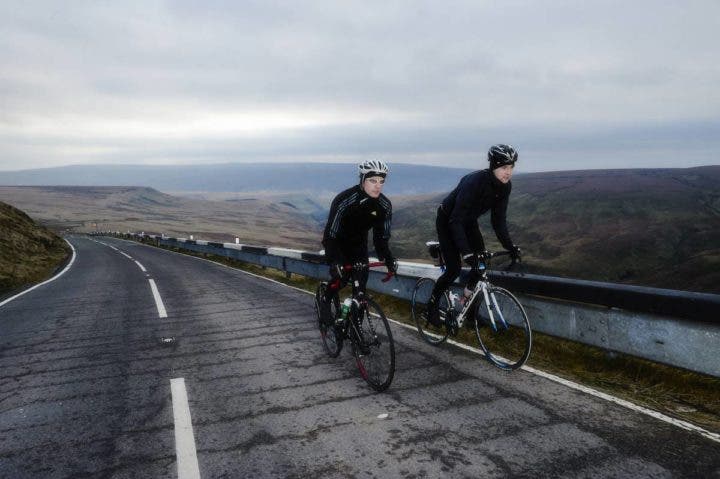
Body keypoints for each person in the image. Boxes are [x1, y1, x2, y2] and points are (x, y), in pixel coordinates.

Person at [426, 144, 522, 326]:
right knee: (453, 269)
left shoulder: (505, 187)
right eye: (504, 167)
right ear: (494, 166)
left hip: (468, 221)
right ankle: (431, 308)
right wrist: (466, 252)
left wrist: (510, 246)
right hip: (449, 220)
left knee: (481, 265)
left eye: (511, 167)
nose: (508, 172)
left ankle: (469, 313)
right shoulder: (475, 182)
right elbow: (455, 220)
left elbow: (498, 221)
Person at [319, 160, 398, 320]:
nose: (378, 186)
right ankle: (325, 300)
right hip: (337, 244)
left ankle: (357, 329)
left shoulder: (385, 206)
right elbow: (330, 234)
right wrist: (334, 260)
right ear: (362, 180)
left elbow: (381, 238)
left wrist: (388, 258)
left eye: (382, 181)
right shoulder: (344, 200)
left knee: (360, 292)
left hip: (359, 247)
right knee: (340, 280)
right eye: (373, 180)